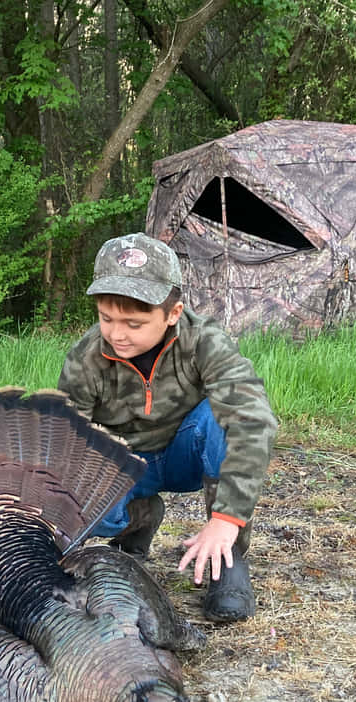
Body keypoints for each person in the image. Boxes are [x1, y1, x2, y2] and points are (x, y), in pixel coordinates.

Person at [58, 233, 278, 622]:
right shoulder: (85, 357)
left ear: (173, 313)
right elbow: (64, 439)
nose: (117, 334)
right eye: (106, 319)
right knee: (71, 512)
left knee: (222, 417)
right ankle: (138, 518)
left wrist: (227, 520)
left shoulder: (204, 341)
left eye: (134, 323)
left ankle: (227, 559)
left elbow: (253, 420)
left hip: (185, 453)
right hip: (125, 462)